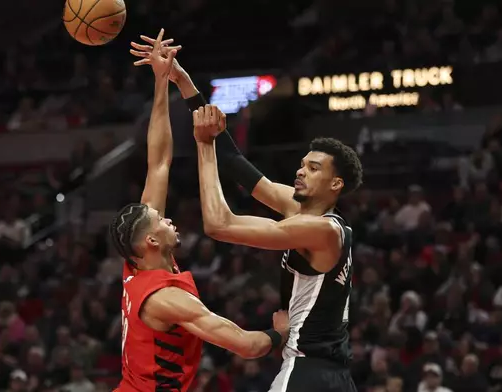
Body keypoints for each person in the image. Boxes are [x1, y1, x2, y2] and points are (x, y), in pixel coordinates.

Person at [111, 29, 290, 392]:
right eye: (160, 220)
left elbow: (159, 161)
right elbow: (245, 345)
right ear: (150, 242)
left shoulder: (138, 264)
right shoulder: (166, 299)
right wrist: (280, 334)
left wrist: (162, 82)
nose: (168, 217)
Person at [191, 103, 362, 391]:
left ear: (335, 184)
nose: (301, 171)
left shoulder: (320, 230)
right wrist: (183, 83)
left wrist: (204, 145)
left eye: (313, 168)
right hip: (336, 376)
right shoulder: (313, 217)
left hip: (306, 370)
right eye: (303, 164)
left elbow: (218, 224)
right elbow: (236, 162)